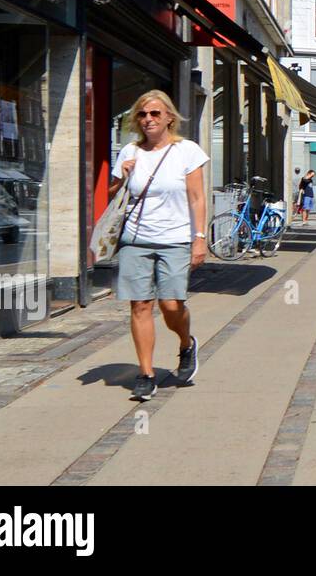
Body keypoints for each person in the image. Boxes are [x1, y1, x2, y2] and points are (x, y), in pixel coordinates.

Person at [109, 90, 209, 402]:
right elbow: (112, 192)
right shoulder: (130, 151)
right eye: (142, 114)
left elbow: (197, 197)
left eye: (155, 113)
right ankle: (146, 374)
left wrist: (199, 238)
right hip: (135, 240)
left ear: (169, 117)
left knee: (171, 304)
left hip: (176, 239)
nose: (148, 119)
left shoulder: (186, 151)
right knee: (140, 305)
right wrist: (122, 175)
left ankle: (185, 344)